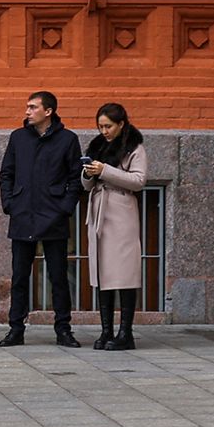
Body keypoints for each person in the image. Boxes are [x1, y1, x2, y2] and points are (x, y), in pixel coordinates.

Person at [0, 90, 83, 347]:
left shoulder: (68, 140)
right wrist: (9, 203)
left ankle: (63, 330)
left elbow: (75, 177)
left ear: (49, 111)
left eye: (33, 107)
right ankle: (16, 329)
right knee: (19, 277)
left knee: (58, 276)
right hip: (23, 213)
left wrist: (65, 208)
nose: (27, 111)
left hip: (53, 215)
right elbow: (6, 173)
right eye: (27, 107)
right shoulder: (18, 138)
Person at [83, 103, 148, 351]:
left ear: (121, 124)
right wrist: (89, 174)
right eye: (100, 126)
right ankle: (106, 331)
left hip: (121, 212)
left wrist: (105, 170)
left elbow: (138, 181)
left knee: (124, 273)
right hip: (100, 208)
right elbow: (88, 185)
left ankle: (126, 332)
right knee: (102, 273)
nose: (104, 131)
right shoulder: (98, 146)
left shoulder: (135, 147)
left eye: (108, 126)